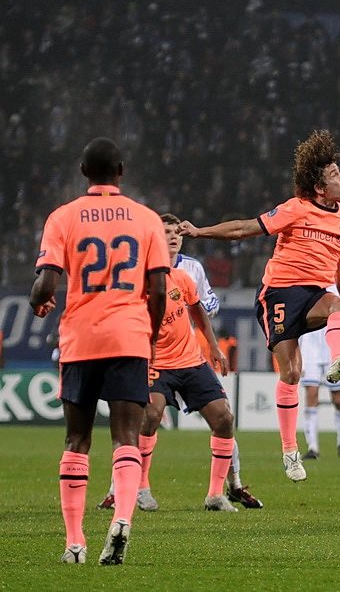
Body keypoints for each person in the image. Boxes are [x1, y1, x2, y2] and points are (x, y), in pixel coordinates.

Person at [178, 130, 340, 482]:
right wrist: (200, 232)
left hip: (315, 293)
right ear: (319, 187)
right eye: (335, 175)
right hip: (278, 293)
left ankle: (338, 360)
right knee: (291, 372)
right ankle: (290, 451)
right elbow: (244, 228)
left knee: (337, 305)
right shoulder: (296, 209)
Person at [29, 137, 170, 565]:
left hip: (81, 339)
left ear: (83, 171)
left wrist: (38, 301)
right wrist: (149, 335)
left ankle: (75, 543)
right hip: (128, 336)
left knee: (77, 440)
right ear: (121, 171)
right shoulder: (147, 219)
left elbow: (46, 284)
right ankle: (122, 518)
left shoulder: (62, 217)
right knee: (126, 438)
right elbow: (158, 289)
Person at [97, 214, 263, 511]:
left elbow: (200, 310)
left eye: (177, 232)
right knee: (150, 416)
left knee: (224, 418)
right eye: (166, 232)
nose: (173, 236)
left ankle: (217, 494)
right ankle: (139, 487)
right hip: (154, 363)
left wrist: (214, 347)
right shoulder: (134, 279)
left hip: (190, 361)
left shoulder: (186, 274)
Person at [299, 286, 340, 461]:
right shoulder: (304, 287)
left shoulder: (337, 288)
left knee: (337, 399)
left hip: (333, 350)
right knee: (311, 396)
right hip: (309, 351)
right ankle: (312, 447)